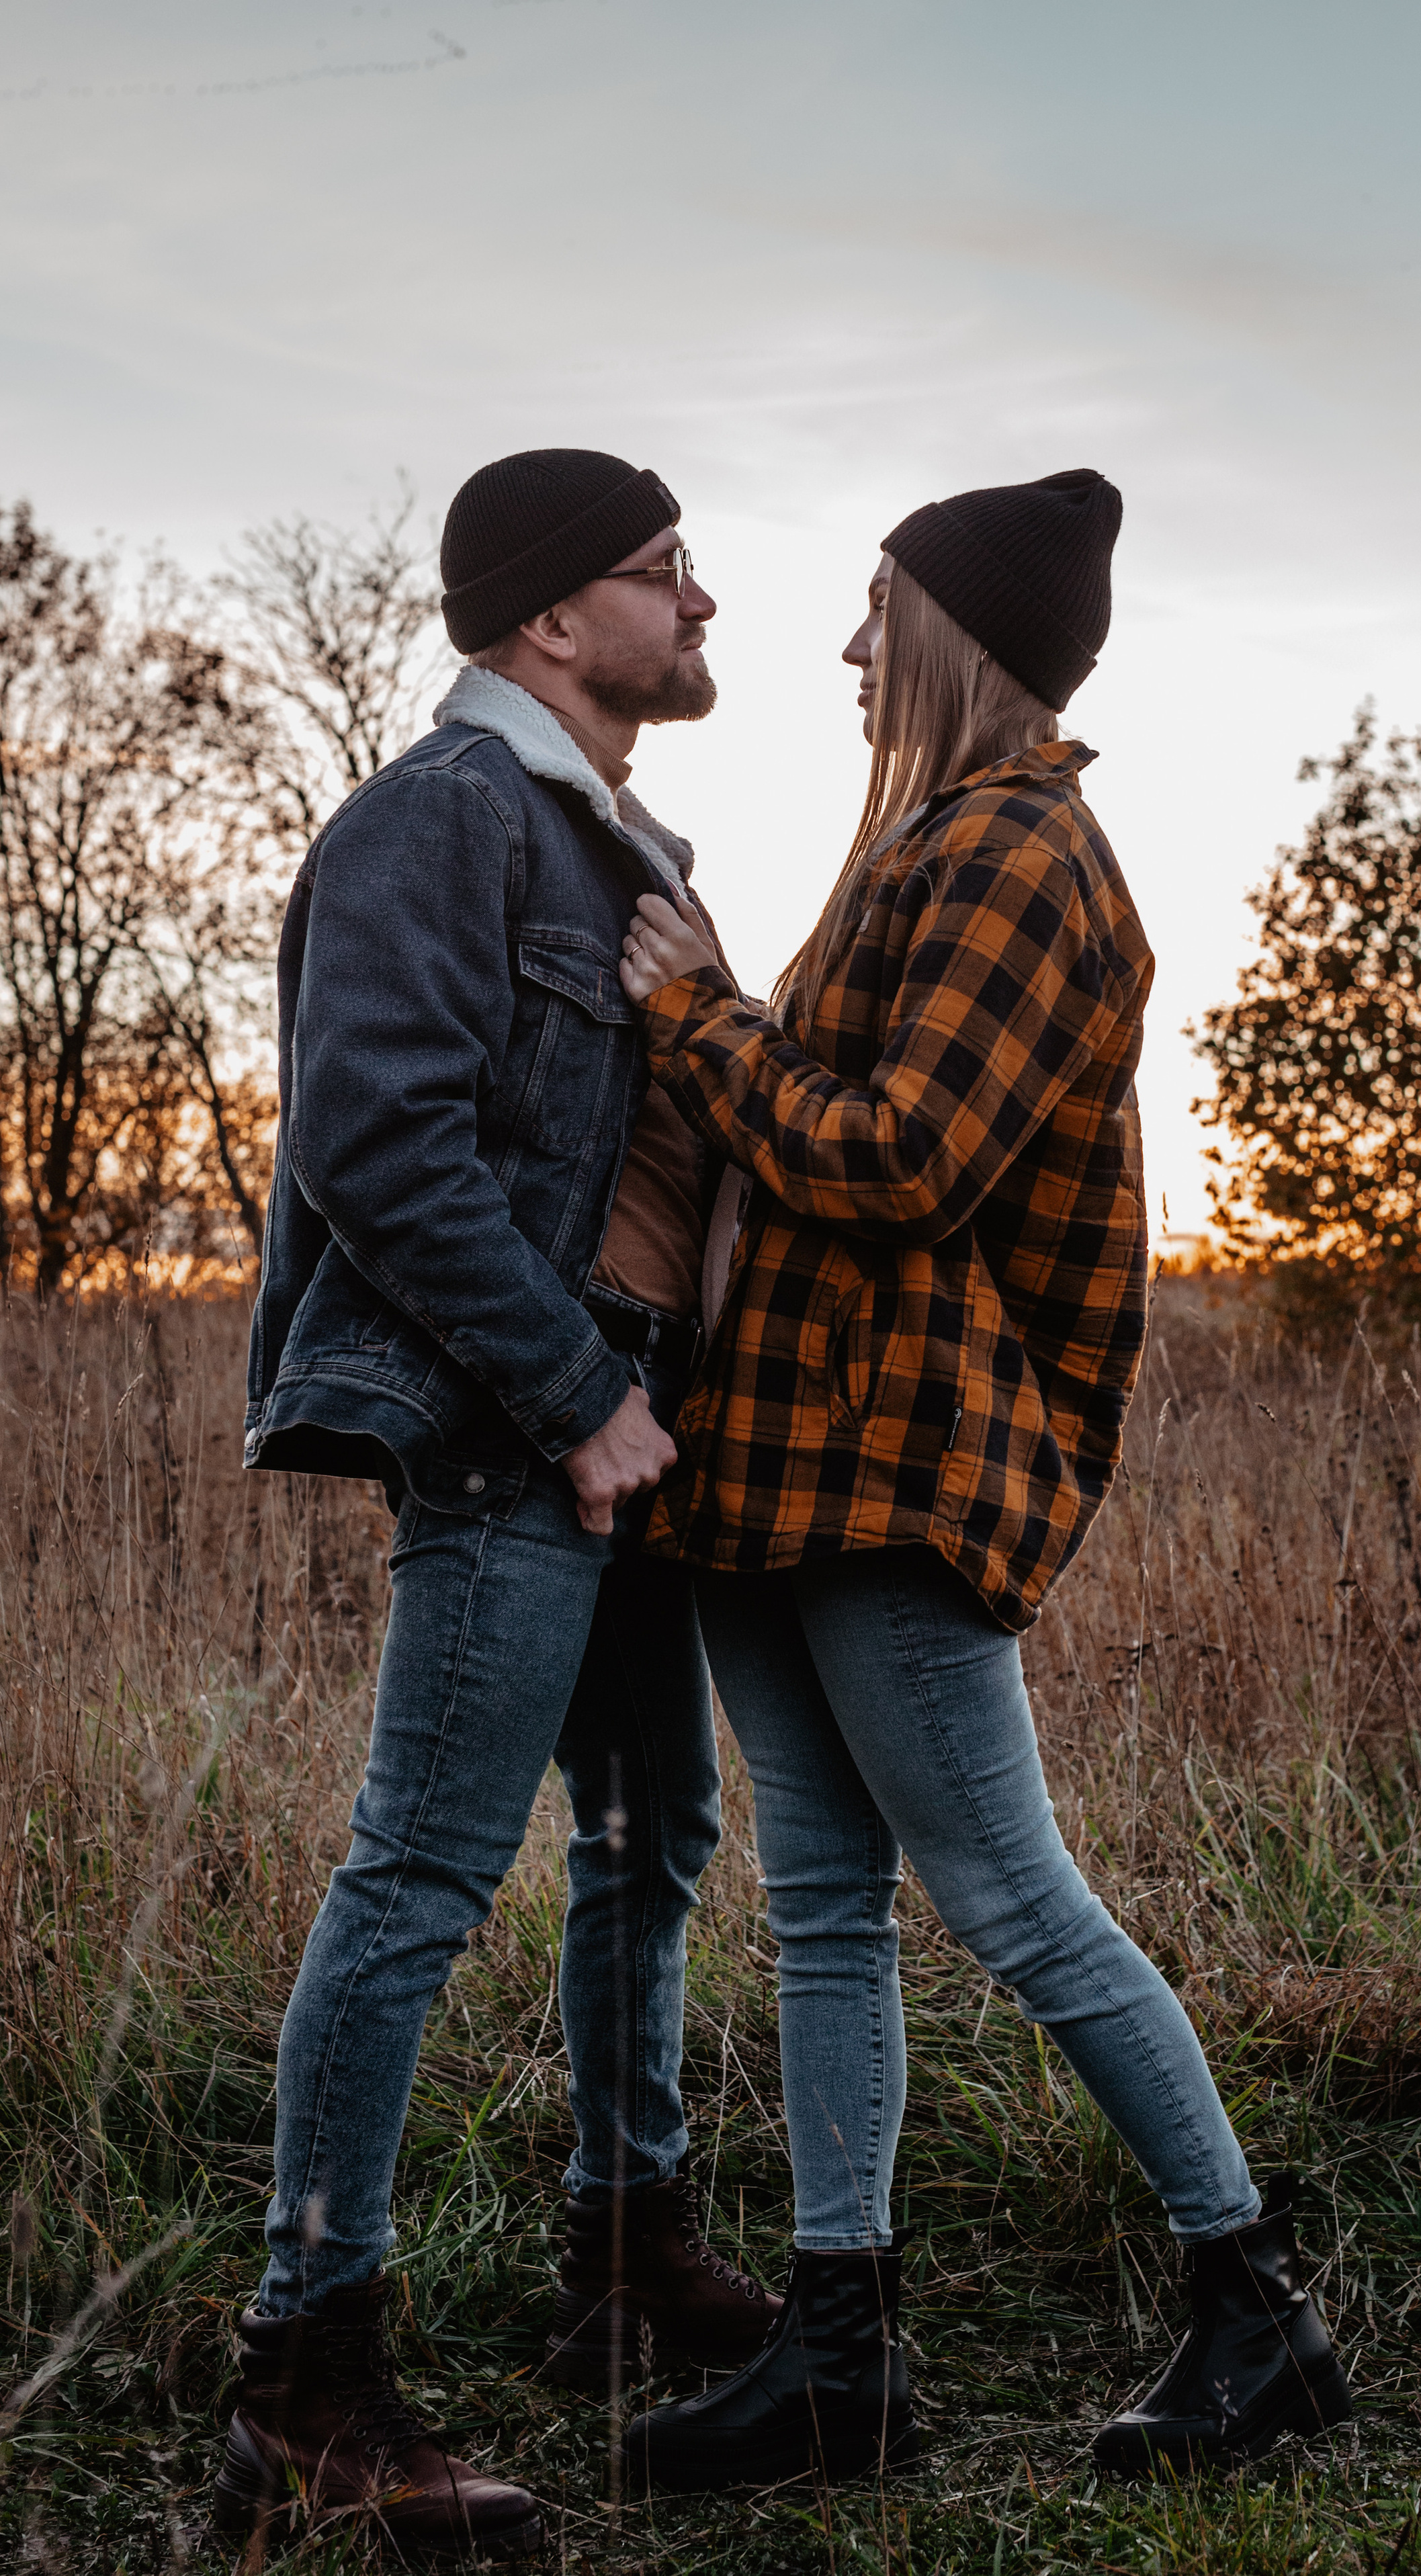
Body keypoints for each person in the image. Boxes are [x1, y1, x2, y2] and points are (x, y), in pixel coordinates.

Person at [611, 470, 1354, 2493]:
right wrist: (736, 1025)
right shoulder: (925, 850)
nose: (847, 650)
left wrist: (698, 1018)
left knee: (1015, 1899)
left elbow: (896, 1159)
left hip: (899, 1468)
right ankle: (839, 2357)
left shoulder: (1034, 858)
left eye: (876, 610)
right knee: (828, 1912)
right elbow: (829, 1120)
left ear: (952, 631)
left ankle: (1254, 2303)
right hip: (779, 1469)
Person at [216, 447, 778, 2563]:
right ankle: (306, 2377)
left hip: (629, 1419)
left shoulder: (613, 842)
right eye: (664, 572)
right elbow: (376, 1136)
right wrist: (568, 1399)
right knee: (424, 1876)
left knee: (654, 1840)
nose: (702, 601)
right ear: (553, 619)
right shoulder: (434, 822)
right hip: (514, 1428)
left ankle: (622, 2255)